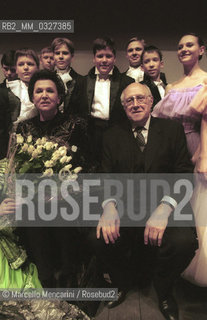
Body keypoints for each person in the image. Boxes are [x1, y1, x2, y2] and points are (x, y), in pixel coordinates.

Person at [90, 83, 197, 320]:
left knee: (184, 242)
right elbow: (106, 176)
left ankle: (164, 289)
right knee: (97, 238)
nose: (135, 104)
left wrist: (165, 208)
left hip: (165, 205)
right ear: (123, 106)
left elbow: (183, 174)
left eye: (141, 98)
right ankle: (122, 281)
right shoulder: (111, 135)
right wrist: (109, 206)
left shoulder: (172, 130)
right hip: (126, 207)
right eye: (129, 100)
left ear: (151, 102)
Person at [16, 69, 95, 289]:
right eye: (38, 91)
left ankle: (69, 275)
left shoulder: (77, 124)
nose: (44, 95)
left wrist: (66, 190)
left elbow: (90, 166)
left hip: (70, 195)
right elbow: (16, 169)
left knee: (60, 208)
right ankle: (46, 276)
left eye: (50, 91)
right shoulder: (24, 128)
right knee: (32, 209)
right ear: (32, 97)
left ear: (59, 97)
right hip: (34, 198)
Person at [152, 32, 207, 286]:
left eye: (189, 45)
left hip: (197, 147)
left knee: (199, 209)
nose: (184, 49)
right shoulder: (171, 86)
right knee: (176, 203)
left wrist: (202, 155)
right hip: (172, 151)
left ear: (201, 50)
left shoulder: (206, 82)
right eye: (180, 46)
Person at [78, 36, 134, 165]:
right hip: (91, 133)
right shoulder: (82, 82)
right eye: (100, 56)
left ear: (114, 58)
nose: (104, 60)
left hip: (117, 132)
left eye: (108, 56)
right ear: (94, 58)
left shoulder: (127, 82)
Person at [1, 48, 39, 127]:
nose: (25, 67)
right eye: (21, 64)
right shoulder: (6, 92)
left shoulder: (46, 87)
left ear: (37, 67)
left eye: (30, 64)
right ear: (17, 69)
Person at [51, 37, 83, 113]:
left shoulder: (82, 81)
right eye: (57, 53)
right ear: (53, 56)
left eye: (65, 53)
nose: (61, 56)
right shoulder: (47, 79)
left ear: (72, 57)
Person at [140, 45, 167, 109]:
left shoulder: (167, 87)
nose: (151, 65)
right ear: (142, 67)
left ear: (161, 64)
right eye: (147, 62)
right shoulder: (141, 88)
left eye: (155, 60)